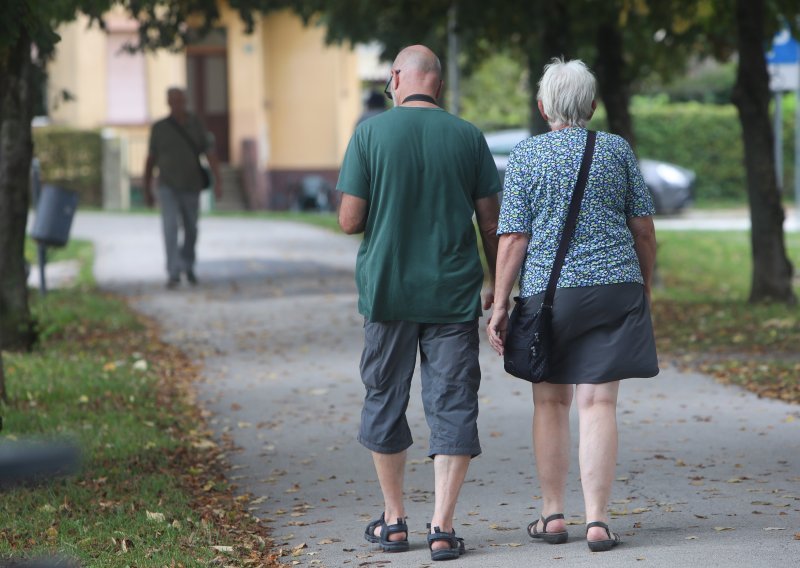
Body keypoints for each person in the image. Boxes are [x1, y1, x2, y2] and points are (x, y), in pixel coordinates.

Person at [487, 58, 659, 553]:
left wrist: (501, 304)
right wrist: (643, 284)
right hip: (614, 289)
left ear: (543, 107)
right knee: (599, 402)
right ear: (593, 105)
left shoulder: (526, 157)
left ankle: (553, 514)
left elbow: (514, 237)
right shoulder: (617, 151)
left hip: (550, 296)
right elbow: (643, 227)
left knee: (552, 402)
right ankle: (599, 522)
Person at [337, 45, 501, 562]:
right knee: (452, 402)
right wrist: (498, 283)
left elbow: (348, 220)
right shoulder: (467, 136)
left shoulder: (369, 133)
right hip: (452, 295)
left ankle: (393, 521)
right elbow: (492, 222)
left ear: (396, 78)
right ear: (438, 84)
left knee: (384, 397)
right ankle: (443, 527)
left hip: (387, 291)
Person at [144, 87, 222, 289]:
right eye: (173, 100)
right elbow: (150, 159)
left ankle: (188, 265)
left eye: (181, 100)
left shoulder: (196, 124)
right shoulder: (160, 128)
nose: (177, 104)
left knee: (191, 228)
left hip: (192, 184)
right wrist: (146, 187)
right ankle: (173, 271)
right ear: (168, 103)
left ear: (186, 101)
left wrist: (218, 180)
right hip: (167, 186)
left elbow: (209, 152)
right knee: (170, 228)